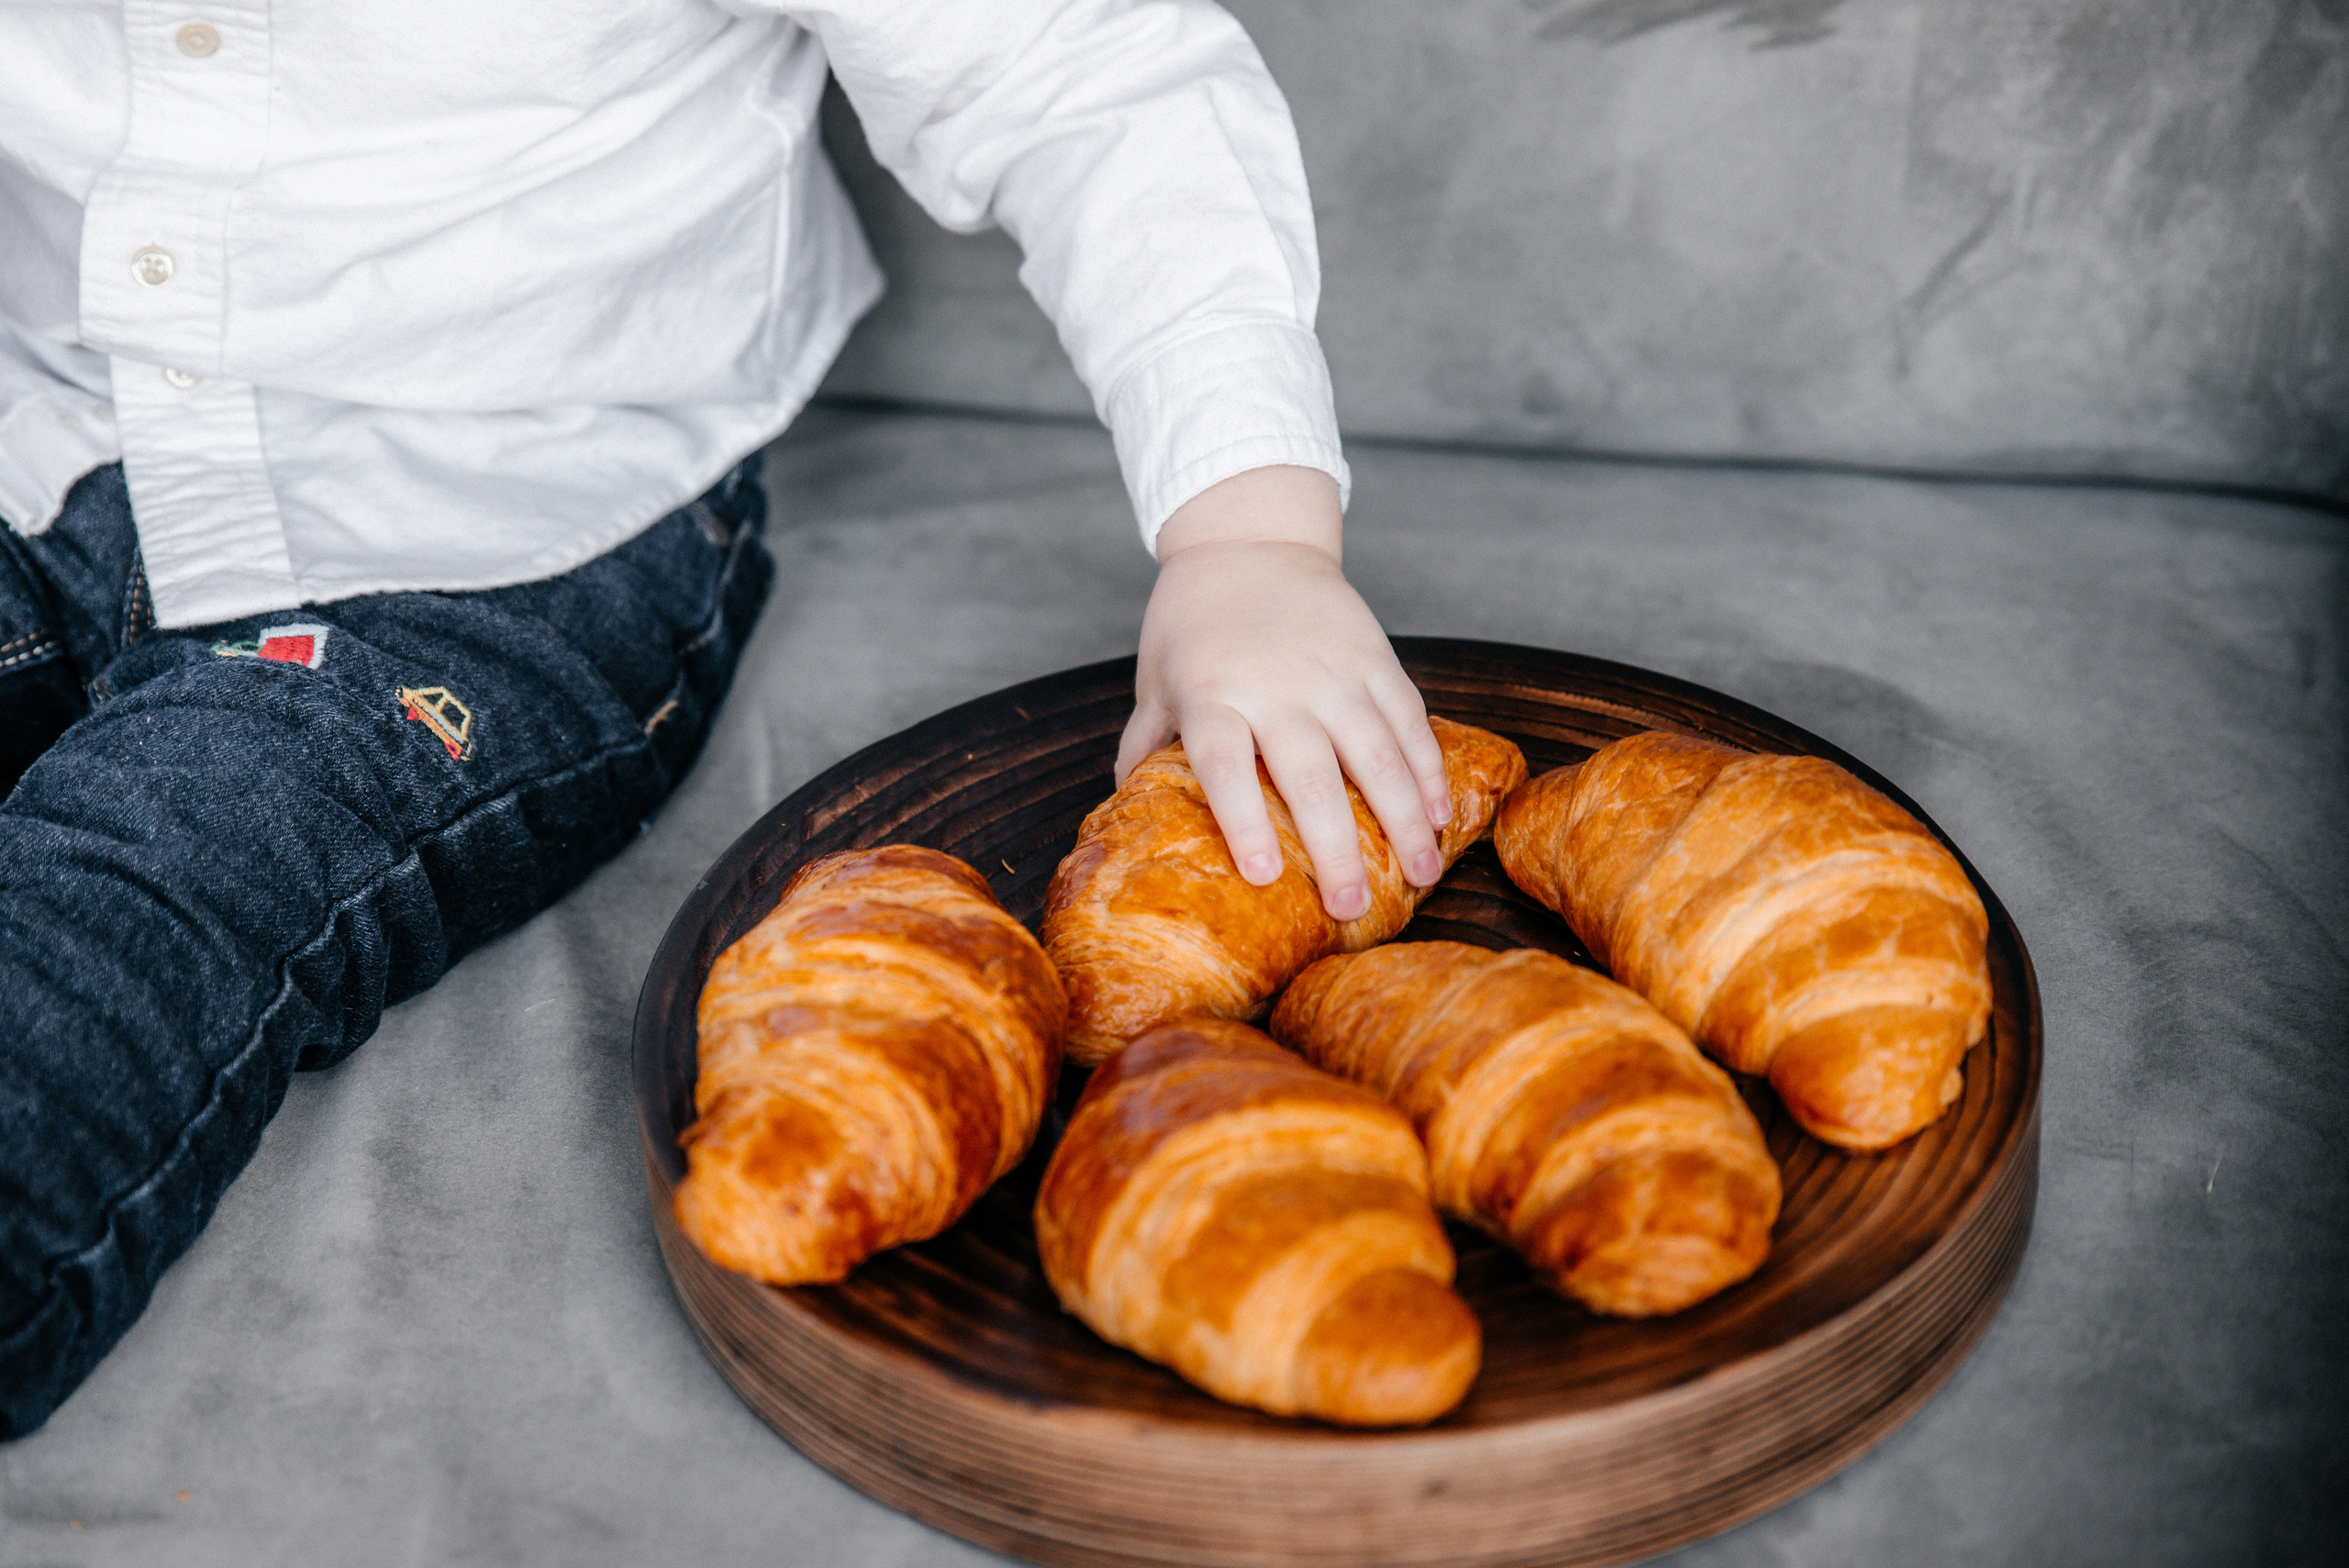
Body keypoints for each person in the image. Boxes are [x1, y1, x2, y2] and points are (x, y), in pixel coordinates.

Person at [0, 0, 1453, 1437]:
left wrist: (1249, 539)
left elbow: (1083, 70)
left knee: (164, 861)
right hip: (37, 430)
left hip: (506, 522)